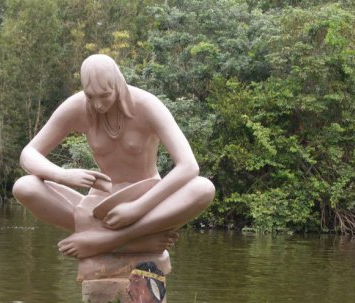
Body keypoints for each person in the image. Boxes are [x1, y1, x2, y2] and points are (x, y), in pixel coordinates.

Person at [13, 54, 215, 259]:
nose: (98, 104)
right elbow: (28, 154)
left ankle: (111, 240)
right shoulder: (77, 107)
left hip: (148, 202)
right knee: (25, 186)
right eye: (90, 96)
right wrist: (62, 175)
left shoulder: (147, 105)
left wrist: (137, 208)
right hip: (102, 203)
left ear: (118, 84)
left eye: (105, 95)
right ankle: (135, 242)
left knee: (203, 188)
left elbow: (189, 166)